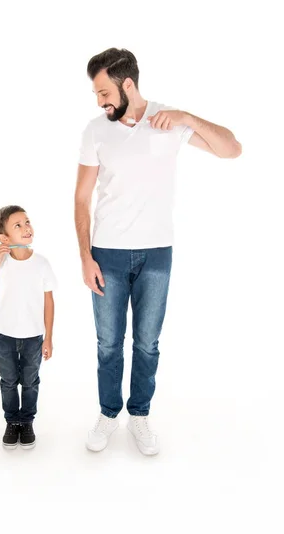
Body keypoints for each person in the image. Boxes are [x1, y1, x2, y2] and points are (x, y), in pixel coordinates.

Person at [74, 48, 242, 455]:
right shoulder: (96, 131)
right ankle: (108, 414)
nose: (100, 102)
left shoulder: (168, 121)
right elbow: (82, 198)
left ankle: (140, 417)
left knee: (147, 343)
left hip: (156, 254)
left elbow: (231, 149)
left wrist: (186, 118)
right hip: (107, 253)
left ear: (127, 83)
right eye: (97, 95)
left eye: (103, 92)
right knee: (108, 343)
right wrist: (85, 256)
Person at [0, 205, 57, 449]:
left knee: (30, 380)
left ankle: (27, 421)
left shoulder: (42, 264)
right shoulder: (1, 264)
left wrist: (48, 338)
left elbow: (48, 302)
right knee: (8, 380)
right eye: (18, 225)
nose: (26, 228)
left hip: (34, 336)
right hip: (4, 335)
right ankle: (12, 421)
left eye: (27, 222)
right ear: (4, 238)